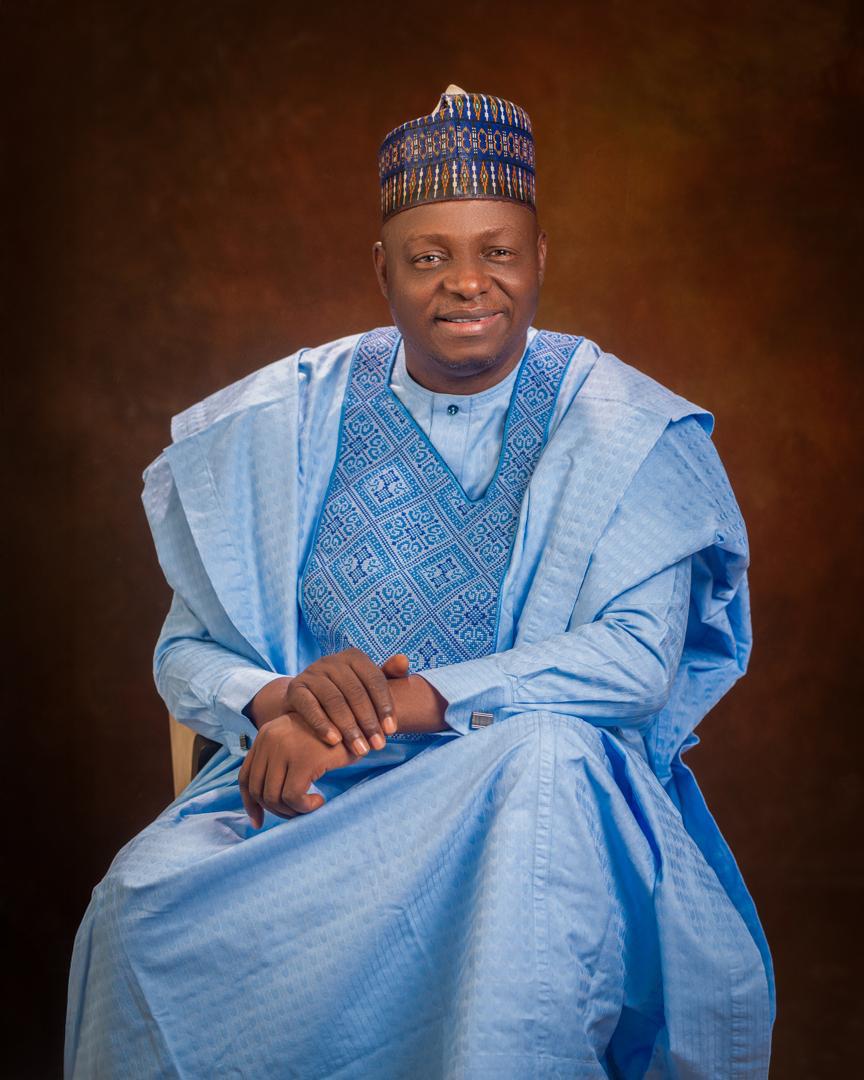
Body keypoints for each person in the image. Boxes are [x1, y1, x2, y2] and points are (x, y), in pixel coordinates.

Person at [65, 86, 774, 1078]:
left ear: (540, 258)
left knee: (546, 761)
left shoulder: (624, 427)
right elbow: (186, 651)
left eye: (498, 252)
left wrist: (396, 705)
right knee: (138, 908)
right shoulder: (286, 421)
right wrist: (284, 702)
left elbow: (634, 663)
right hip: (312, 796)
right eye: (429, 256)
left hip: (520, 802)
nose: (468, 284)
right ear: (383, 270)